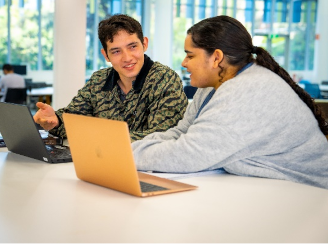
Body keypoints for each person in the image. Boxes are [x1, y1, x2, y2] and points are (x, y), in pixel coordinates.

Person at [132, 15, 328, 189]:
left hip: (307, 194)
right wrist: (129, 148)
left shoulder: (248, 90)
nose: (184, 63)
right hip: (267, 187)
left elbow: (188, 154)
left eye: (190, 55)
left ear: (216, 58)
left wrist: (124, 157)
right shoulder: (212, 85)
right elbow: (182, 133)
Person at [34, 14, 188, 142]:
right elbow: (73, 118)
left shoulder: (165, 80)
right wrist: (55, 120)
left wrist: (97, 136)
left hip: (150, 170)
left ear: (144, 44)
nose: (127, 58)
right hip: (103, 162)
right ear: (105, 55)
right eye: (116, 51)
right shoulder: (99, 80)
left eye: (133, 46)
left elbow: (161, 137)